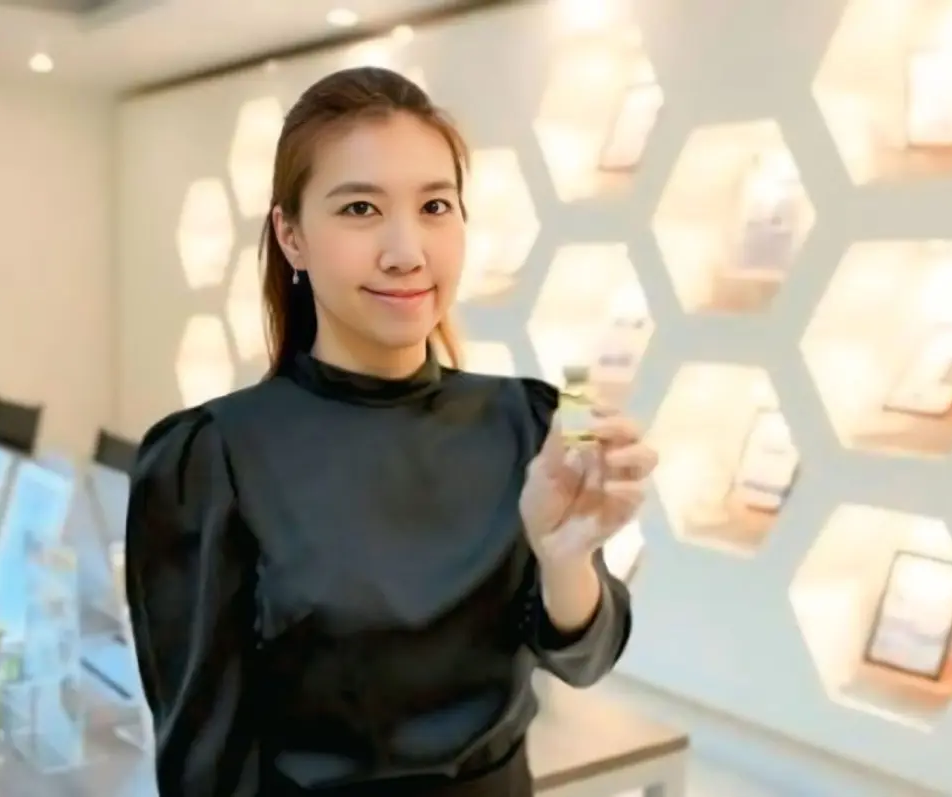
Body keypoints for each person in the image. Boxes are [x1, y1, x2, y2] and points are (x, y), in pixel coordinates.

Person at [124, 66, 659, 797]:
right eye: (360, 209)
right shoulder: (211, 457)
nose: (407, 250)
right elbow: (203, 768)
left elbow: (586, 660)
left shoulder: (534, 418)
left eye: (435, 205)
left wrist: (566, 558)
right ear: (291, 236)